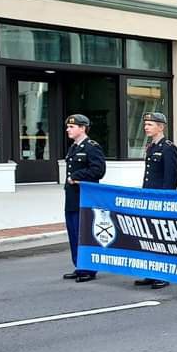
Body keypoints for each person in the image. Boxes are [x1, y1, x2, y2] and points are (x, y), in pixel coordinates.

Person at [134, 112, 177, 290]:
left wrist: (165, 200)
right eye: (145, 124)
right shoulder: (151, 146)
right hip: (149, 198)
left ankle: (163, 274)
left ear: (161, 127)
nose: (146, 127)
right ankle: (152, 272)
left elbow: (171, 177)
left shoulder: (168, 148)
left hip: (160, 199)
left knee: (161, 239)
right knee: (149, 237)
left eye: (150, 124)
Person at [62, 114, 106, 282]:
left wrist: (76, 176)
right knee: (73, 232)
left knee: (84, 233)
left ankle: (88, 268)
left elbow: (98, 170)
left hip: (85, 197)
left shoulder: (91, 147)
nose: (68, 129)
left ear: (83, 128)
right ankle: (79, 265)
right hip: (72, 197)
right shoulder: (74, 147)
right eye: (68, 127)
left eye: (72, 127)